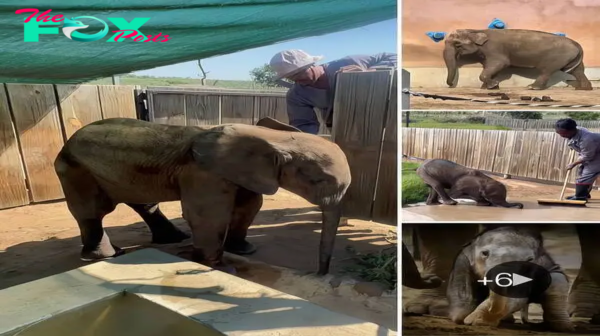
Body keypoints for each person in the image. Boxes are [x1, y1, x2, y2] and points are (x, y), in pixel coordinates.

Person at [269, 49, 397, 134]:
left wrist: (370, 73)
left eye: (298, 73)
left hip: (381, 122)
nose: (297, 80)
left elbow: (394, 56)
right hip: (342, 130)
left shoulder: (351, 62)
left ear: (311, 64)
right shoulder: (296, 95)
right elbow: (303, 125)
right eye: (290, 77)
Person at [554, 118, 600, 201]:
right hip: (594, 153)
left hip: (596, 156)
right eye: (558, 132)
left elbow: (588, 155)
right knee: (582, 172)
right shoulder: (578, 131)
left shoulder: (586, 139)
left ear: (571, 130)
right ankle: (584, 194)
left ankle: (580, 197)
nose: (561, 135)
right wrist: (573, 145)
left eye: (563, 133)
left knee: (585, 176)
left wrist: (573, 163)